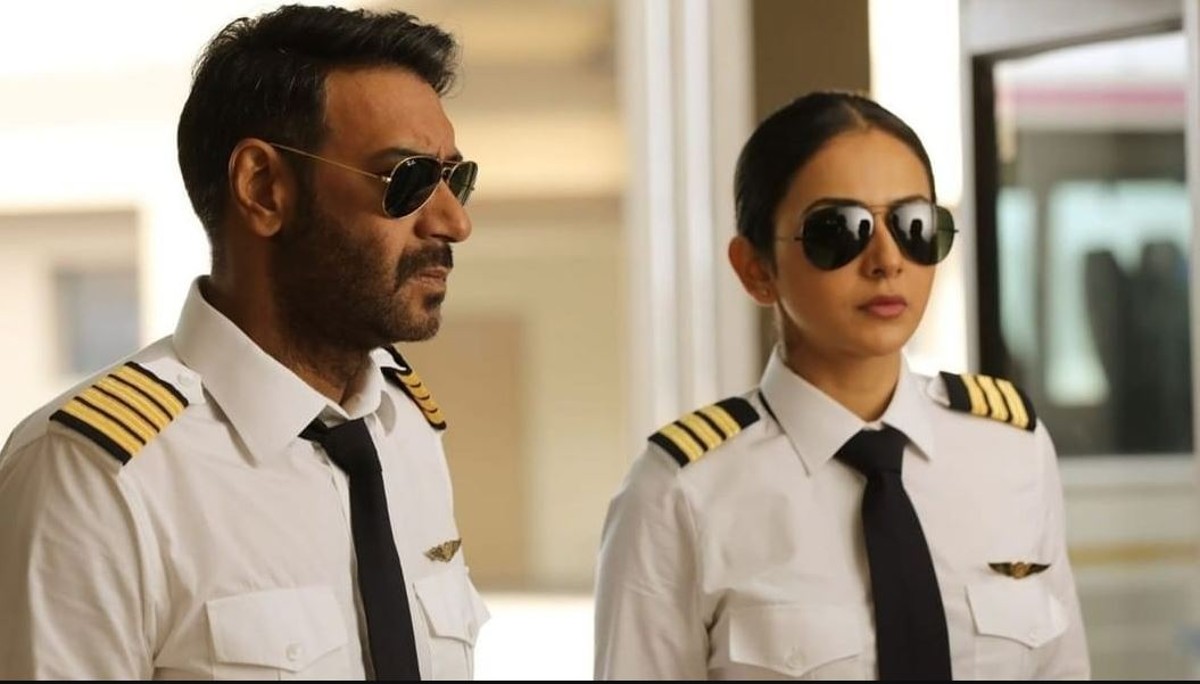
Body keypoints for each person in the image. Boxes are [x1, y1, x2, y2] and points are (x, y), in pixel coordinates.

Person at [0, 4, 489, 679]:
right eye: (407, 179)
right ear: (263, 188)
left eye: (455, 179)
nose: (454, 222)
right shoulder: (95, 477)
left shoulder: (403, 430)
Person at [593, 91, 1090, 680]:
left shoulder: (1011, 451)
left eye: (914, 226)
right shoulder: (679, 494)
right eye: (839, 230)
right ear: (755, 269)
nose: (887, 260)